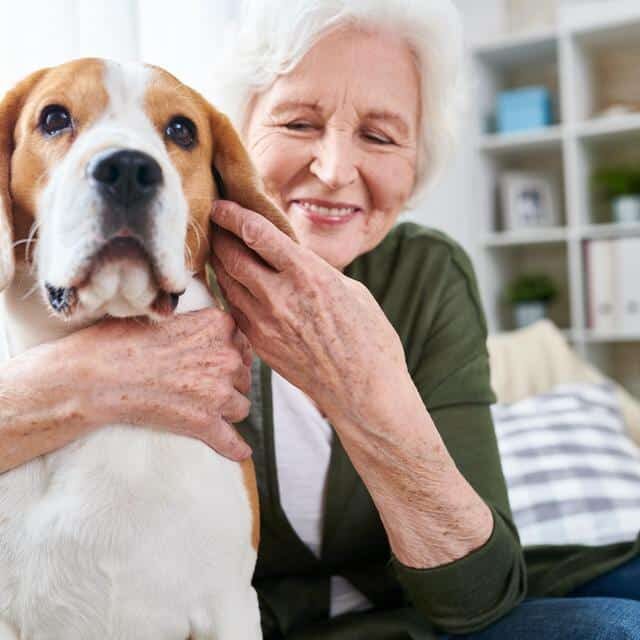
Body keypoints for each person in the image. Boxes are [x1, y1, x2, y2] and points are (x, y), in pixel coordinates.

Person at [1, 1, 639, 638]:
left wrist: (364, 392)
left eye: (381, 135)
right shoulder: (142, 278)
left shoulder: (424, 274)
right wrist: (80, 380)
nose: (334, 171)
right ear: (239, 142)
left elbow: (479, 593)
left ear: (417, 166)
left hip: (418, 615)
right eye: (299, 122)